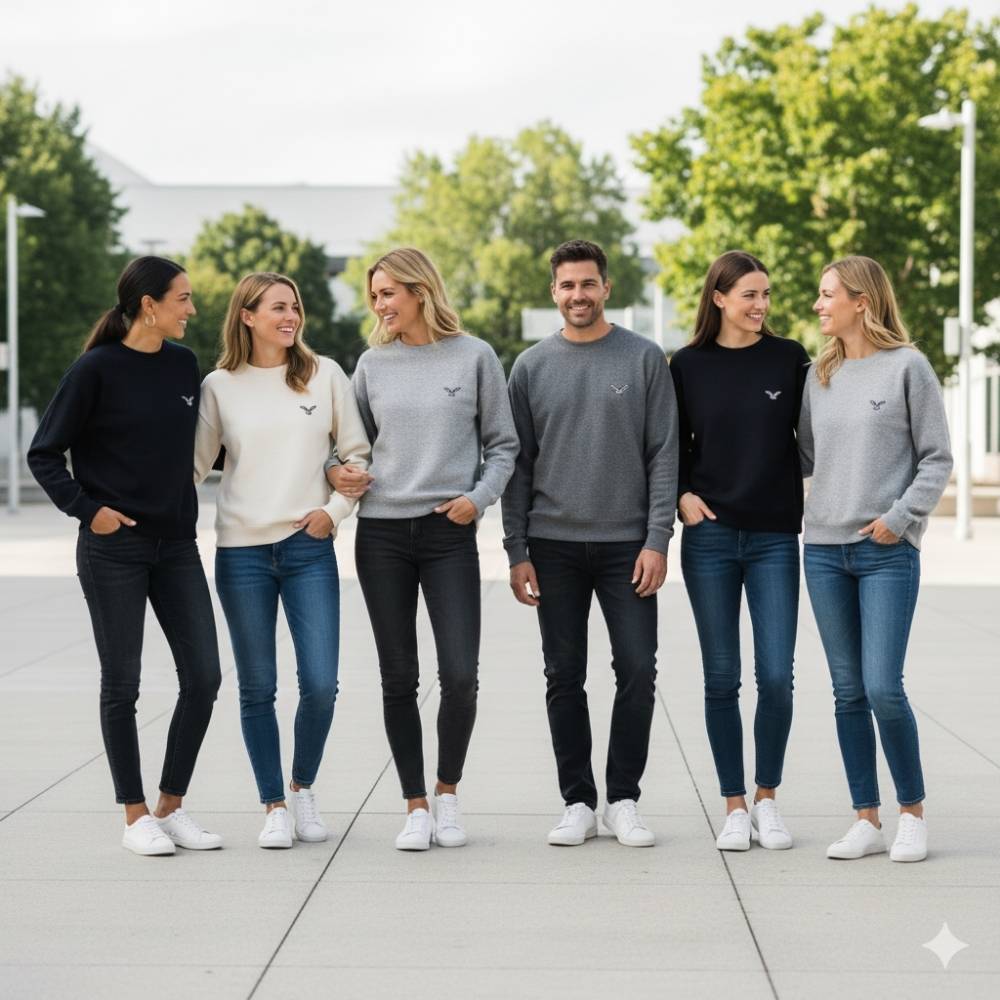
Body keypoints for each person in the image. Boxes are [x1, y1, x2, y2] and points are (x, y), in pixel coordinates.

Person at [27, 257, 222, 856]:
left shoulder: (184, 365)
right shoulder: (95, 370)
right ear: (148, 305)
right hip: (113, 549)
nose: (192, 309)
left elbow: (205, 448)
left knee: (205, 677)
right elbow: (44, 454)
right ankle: (135, 815)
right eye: (183, 298)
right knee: (123, 683)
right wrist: (90, 511)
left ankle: (170, 806)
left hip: (177, 545)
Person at [327, 247, 517, 851]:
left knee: (460, 674)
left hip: (447, 532)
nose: (379, 305)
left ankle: (447, 794)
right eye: (374, 296)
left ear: (419, 291)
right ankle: (414, 804)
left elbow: (503, 446)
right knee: (398, 677)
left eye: (388, 293)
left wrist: (477, 499)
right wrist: (338, 471)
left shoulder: (475, 356)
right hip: (381, 534)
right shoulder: (371, 365)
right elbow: (345, 446)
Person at [502, 239, 678, 848]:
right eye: (567, 285)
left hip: (628, 545)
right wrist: (516, 549)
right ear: (554, 292)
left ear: (607, 288)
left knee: (637, 669)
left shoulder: (644, 358)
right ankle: (577, 801)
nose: (578, 295)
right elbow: (517, 464)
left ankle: (623, 799)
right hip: (552, 544)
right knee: (563, 674)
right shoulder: (530, 367)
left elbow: (663, 455)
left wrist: (658, 538)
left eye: (588, 283)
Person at [194, 272, 370, 849]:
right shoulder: (219, 386)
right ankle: (272, 804)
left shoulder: (326, 374)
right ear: (247, 316)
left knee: (320, 684)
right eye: (277, 307)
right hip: (241, 553)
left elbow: (356, 456)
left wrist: (334, 512)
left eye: (294, 306)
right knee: (257, 687)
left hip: (308, 547)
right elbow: (191, 469)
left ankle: (303, 788)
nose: (291, 316)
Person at [798, 255, 952, 863]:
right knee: (847, 691)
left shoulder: (909, 367)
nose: (818, 304)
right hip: (823, 553)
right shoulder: (820, 375)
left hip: (886, 551)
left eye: (827, 294)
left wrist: (900, 517)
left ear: (861, 301)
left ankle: (912, 813)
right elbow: (806, 457)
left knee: (883, 687)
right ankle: (866, 818)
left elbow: (936, 457)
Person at [670, 251, 810, 852]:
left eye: (766, 294)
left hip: (774, 537)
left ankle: (767, 798)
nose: (760, 305)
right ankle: (733, 805)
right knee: (721, 676)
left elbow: (816, 437)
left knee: (776, 676)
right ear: (719, 298)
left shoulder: (790, 357)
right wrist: (681, 495)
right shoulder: (687, 365)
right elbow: (670, 444)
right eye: (749, 294)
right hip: (710, 538)